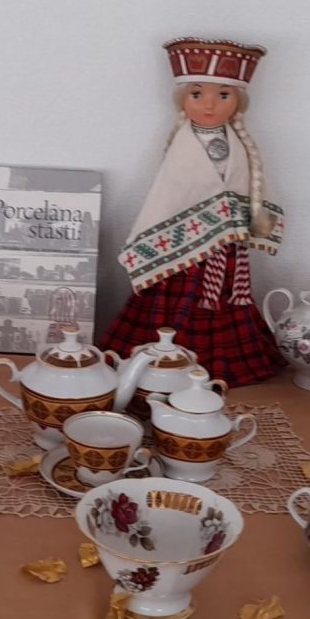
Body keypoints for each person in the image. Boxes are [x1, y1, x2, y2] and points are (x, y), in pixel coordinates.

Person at [100, 37, 287, 387]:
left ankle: (217, 364)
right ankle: (164, 366)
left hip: (226, 246)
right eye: (197, 94)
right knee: (178, 301)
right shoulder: (183, 145)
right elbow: (171, 195)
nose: (209, 104)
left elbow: (247, 188)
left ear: (238, 101)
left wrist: (240, 221)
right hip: (181, 251)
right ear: (183, 99)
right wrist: (207, 223)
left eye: (223, 95)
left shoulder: (241, 145)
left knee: (225, 299)